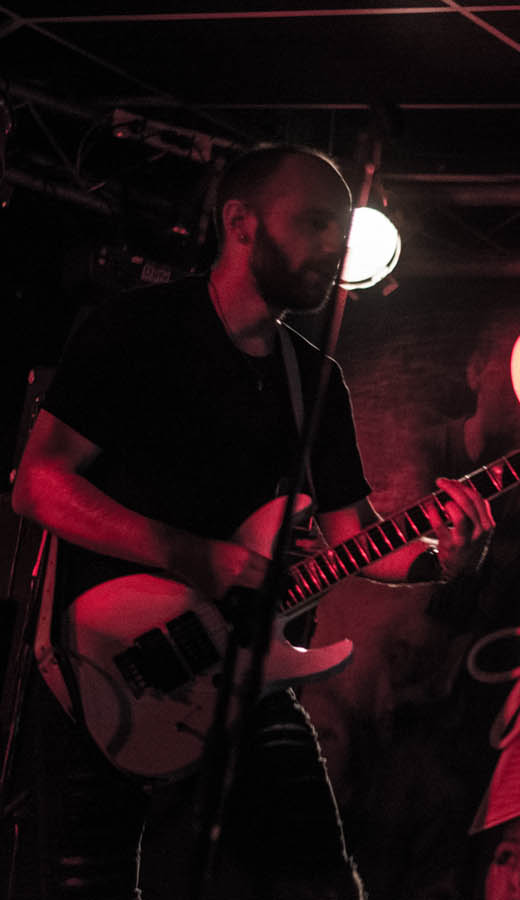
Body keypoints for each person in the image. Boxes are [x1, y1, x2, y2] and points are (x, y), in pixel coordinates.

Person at [10, 144, 494, 899]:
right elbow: (39, 485)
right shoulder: (133, 329)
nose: (334, 246)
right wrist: (193, 555)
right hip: (102, 661)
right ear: (240, 222)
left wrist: (445, 557)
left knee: (320, 885)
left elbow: (355, 538)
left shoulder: (315, 379)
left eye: (341, 229)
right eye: (315, 222)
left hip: (248, 677)